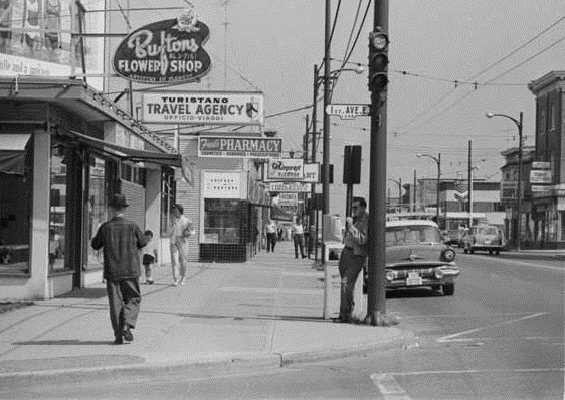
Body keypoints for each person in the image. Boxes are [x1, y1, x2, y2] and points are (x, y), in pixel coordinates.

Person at [91, 194, 149, 344]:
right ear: (125, 209)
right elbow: (143, 242)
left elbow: (95, 245)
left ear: (111, 209)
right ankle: (127, 324)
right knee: (133, 298)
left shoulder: (105, 227)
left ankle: (118, 335)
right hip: (131, 269)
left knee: (115, 303)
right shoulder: (132, 226)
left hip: (112, 271)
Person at [336, 197, 369, 323]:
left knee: (346, 283)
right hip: (347, 253)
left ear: (363, 208)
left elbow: (362, 240)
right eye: (352, 208)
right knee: (346, 286)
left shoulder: (367, 221)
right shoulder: (356, 219)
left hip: (357, 256)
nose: (353, 210)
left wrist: (351, 227)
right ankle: (345, 312)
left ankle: (346, 314)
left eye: (356, 208)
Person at [168, 204, 194, 286]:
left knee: (183, 261)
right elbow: (169, 232)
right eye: (173, 210)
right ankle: (175, 279)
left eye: (175, 210)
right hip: (173, 242)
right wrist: (171, 226)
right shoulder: (172, 220)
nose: (174, 211)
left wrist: (187, 233)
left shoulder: (187, 221)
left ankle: (183, 278)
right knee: (175, 261)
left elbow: (193, 232)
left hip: (183, 242)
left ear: (180, 211)